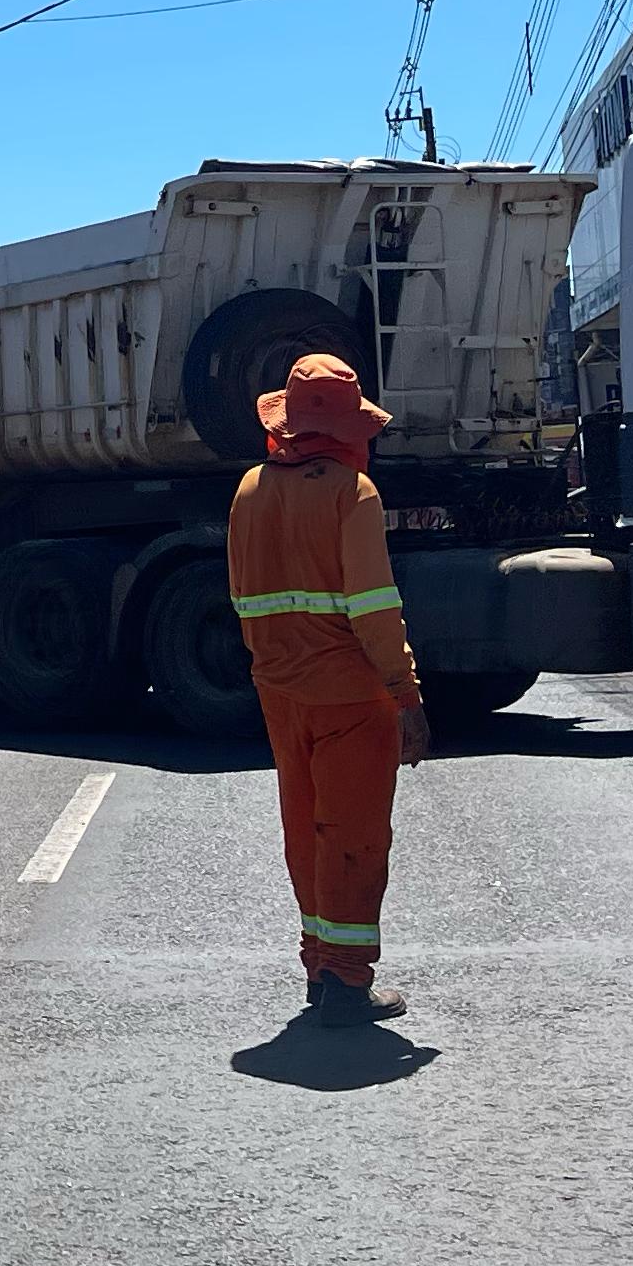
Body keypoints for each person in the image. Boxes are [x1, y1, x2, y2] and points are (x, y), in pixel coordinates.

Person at [226, 352, 430, 1029]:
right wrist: (406, 695)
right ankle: (345, 980)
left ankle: (320, 965)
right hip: (350, 694)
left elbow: (242, 598)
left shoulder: (249, 490)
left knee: (306, 830)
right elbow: (374, 608)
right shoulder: (352, 493)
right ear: (348, 431)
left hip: (280, 691)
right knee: (353, 837)